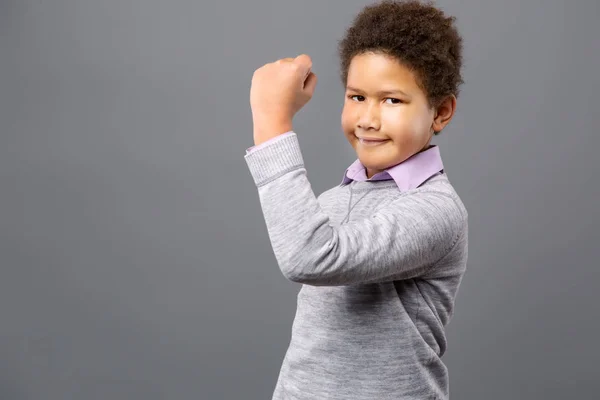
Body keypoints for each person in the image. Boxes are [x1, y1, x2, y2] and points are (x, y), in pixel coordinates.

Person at [244, 0, 468, 398]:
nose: (367, 118)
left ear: (442, 111)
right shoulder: (334, 199)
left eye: (392, 100)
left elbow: (309, 256)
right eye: (357, 97)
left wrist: (271, 122)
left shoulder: (436, 209)